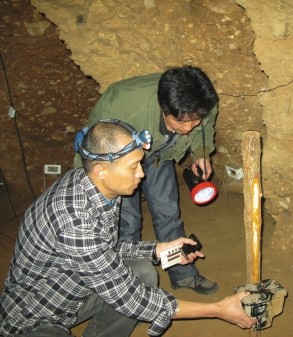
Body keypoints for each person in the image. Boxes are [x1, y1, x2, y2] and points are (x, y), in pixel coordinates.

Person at [0, 120, 256, 337]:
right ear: (101, 170)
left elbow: (108, 247)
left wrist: (159, 249)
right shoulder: (73, 220)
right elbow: (130, 298)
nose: (142, 174)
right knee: (133, 290)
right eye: (134, 166)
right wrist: (218, 309)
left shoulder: (95, 185)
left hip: (76, 290)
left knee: (143, 271)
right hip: (37, 317)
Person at [74, 65, 220, 295]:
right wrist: (96, 194)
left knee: (168, 213)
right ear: (164, 108)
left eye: (195, 121)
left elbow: (205, 124)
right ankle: (131, 283)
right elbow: (90, 149)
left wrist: (200, 150)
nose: (189, 127)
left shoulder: (201, 101)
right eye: (181, 122)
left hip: (160, 153)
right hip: (120, 160)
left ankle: (182, 275)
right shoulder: (122, 107)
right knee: (126, 221)